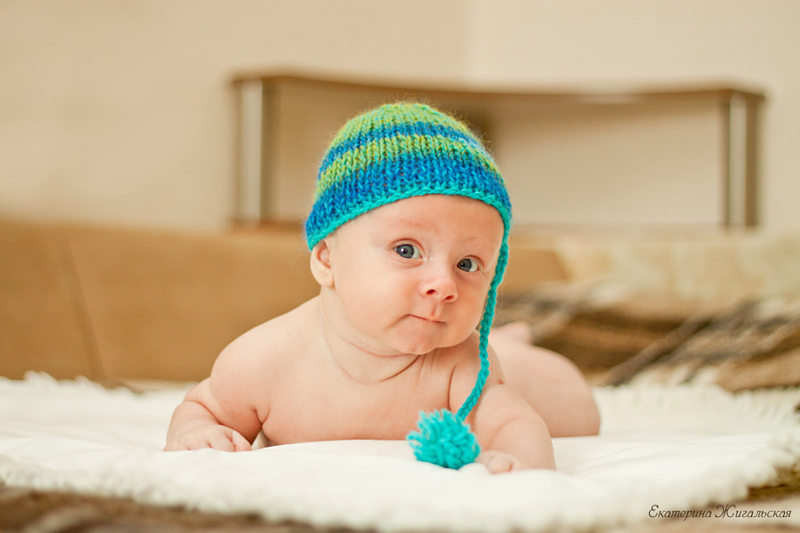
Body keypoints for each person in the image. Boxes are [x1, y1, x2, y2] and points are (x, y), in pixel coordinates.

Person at [165, 103, 600, 473]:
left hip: (523, 376)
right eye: (407, 250)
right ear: (326, 259)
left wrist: (517, 462)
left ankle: (509, 347)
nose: (444, 285)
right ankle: (509, 341)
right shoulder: (263, 360)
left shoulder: (460, 360)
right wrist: (197, 432)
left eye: (468, 264)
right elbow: (204, 408)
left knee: (580, 414)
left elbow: (514, 424)